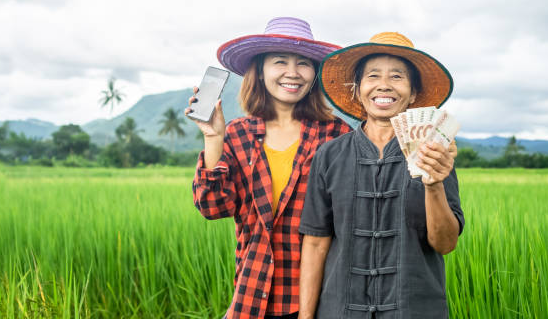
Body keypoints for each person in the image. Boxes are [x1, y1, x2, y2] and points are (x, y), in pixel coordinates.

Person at [186, 17, 353, 319]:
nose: (292, 73)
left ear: (314, 74)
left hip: (319, 298)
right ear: (260, 72)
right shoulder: (238, 134)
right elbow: (214, 207)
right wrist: (213, 139)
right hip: (253, 295)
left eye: (303, 63)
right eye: (280, 62)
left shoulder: (336, 135)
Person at [298, 32, 464, 318]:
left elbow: (446, 244)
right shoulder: (329, 155)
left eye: (397, 77)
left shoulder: (436, 151)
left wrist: (434, 184)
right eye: (373, 76)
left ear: (413, 93)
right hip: (340, 309)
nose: (384, 85)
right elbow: (315, 242)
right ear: (358, 89)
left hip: (413, 310)